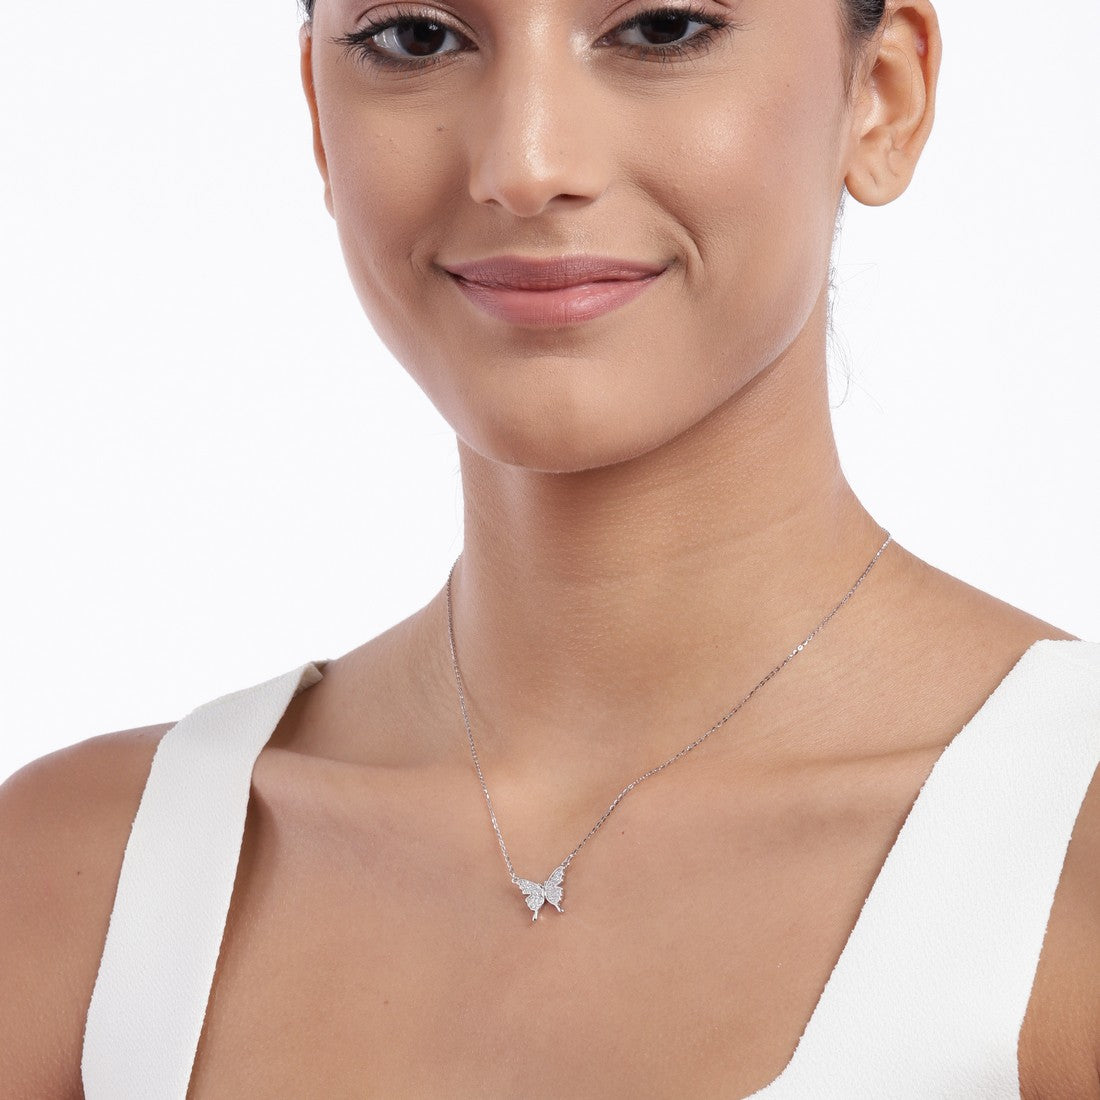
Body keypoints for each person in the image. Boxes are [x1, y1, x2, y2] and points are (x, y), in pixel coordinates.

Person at [2, 0, 1098, 1097]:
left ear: (883, 97)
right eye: (417, 37)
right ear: (322, 120)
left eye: (661, 29)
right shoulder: (75, 890)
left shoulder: (1069, 861)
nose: (525, 166)